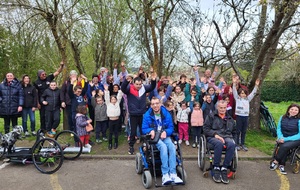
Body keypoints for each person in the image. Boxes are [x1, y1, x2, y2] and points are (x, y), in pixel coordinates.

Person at [142, 97, 183, 185]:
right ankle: (165, 174)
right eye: (153, 104)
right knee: (163, 147)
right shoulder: (147, 115)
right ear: (151, 105)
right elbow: (144, 128)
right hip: (155, 137)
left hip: (164, 135)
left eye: (157, 103)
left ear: (160, 104)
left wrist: (166, 132)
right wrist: (150, 131)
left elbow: (171, 127)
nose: (155, 105)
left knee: (172, 146)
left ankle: (173, 173)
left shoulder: (166, 113)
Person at [121, 71, 157, 155]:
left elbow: (152, 87)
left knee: (143, 131)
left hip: (142, 114)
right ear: (133, 83)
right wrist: (126, 81)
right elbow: (123, 88)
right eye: (137, 84)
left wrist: (154, 80)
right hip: (133, 114)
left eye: (140, 84)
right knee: (133, 132)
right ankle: (131, 147)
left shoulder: (144, 88)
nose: (138, 86)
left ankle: (145, 146)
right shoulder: (129, 88)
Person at [203, 100, 236, 184]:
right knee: (219, 143)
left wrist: (234, 140)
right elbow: (205, 129)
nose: (222, 109)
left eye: (224, 108)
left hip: (226, 136)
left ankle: (224, 168)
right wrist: (215, 135)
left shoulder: (229, 118)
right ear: (217, 107)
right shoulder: (211, 116)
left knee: (232, 144)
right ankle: (216, 167)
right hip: (213, 136)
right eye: (221, 108)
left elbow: (234, 131)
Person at [270, 103, 300, 175]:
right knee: (284, 145)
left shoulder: (299, 120)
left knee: (284, 146)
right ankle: (282, 165)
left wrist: (285, 139)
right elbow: (279, 129)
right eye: (292, 109)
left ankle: (276, 161)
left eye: (296, 110)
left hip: (296, 139)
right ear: (288, 110)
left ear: (298, 111)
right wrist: (280, 137)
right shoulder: (282, 117)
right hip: (283, 137)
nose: (293, 111)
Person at [34, 61, 64, 131]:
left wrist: (61, 66)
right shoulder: (36, 82)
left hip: (51, 100)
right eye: (43, 74)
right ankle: (43, 129)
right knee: (42, 116)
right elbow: (36, 93)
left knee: (51, 116)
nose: (44, 75)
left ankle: (51, 128)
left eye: (45, 74)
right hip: (42, 101)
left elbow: (57, 72)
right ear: (39, 75)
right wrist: (38, 103)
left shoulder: (49, 78)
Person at [232, 76, 259, 151]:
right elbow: (234, 91)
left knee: (244, 131)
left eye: (244, 93)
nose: (243, 95)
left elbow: (253, 93)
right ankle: (237, 144)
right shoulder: (237, 98)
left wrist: (256, 86)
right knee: (238, 131)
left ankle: (242, 144)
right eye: (241, 93)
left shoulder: (248, 99)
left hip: (245, 116)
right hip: (239, 116)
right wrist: (234, 83)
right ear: (239, 94)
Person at [104, 85, 123, 150]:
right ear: (110, 100)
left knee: (116, 132)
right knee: (110, 132)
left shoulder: (117, 103)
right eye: (112, 99)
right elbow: (106, 98)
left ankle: (116, 143)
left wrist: (121, 89)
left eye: (114, 99)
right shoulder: (108, 104)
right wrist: (106, 91)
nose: (113, 100)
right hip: (111, 120)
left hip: (117, 120)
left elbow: (119, 95)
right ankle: (110, 143)